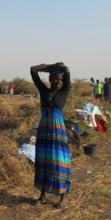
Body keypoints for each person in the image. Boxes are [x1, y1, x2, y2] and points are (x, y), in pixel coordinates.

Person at [30, 62, 71, 208]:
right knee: (43, 162)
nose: (58, 81)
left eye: (60, 79)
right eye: (55, 78)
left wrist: (60, 69)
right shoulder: (44, 91)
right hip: (44, 131)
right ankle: (42, 195)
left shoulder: (64, 92)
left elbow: (67, 72)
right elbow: (33, 70)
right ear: (49, 79)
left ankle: (63, 196)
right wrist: (51, 66)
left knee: (60, 162)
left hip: (58, 133)